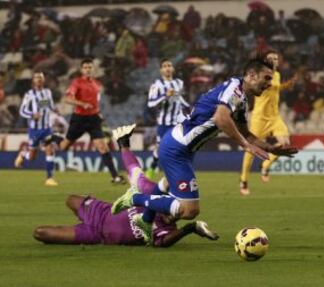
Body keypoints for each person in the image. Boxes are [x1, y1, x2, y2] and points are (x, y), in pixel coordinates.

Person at [112, 58, 298, 243]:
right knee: (189, 210)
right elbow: (221, 118)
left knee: (167, 185)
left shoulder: (240, 99)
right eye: (266, 78)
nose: (269, 84)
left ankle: (145, 219)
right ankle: (136, 198)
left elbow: (246, 134)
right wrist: (244, 145)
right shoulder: (234, 90)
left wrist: (271, 148)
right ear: (251, 75)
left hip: (182, 148)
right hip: (176, 148)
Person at [33, 125, 218, 246]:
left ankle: (82, 223)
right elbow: (138, 175)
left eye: (177, 217)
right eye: (173, 212)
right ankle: (122, 147)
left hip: (96, 235)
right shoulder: (153, 196)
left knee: (40, 233)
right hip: (101, 211)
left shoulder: (167, 231)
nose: (173, 217)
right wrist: (124, 146)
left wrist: (191, 228)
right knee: (70, 199)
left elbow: (163, 243)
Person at [46, 58, 125, 184]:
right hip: (79, 119)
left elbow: (95, 102)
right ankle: (54, 138)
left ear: (93, 69)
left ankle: (115, 177)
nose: (88, 69)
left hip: (93, 119)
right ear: (82, 70)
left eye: (90, 67)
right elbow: (67, 99)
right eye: (86, 67)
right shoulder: (76, 83)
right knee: (64, 146)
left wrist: (98, 113)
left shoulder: (97, 84)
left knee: (103, 147)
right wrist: (82, 104)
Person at [240, 51, 297, 195]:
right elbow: (264, 87)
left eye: (276, 58)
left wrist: (287, 85)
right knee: (250, 150)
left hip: (274, 117)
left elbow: (276, 87)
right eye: (271, 58)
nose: (274, 60)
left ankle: (265, 165)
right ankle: (244, 180)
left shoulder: (277, 75)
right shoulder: (261, 75)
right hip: (259, 118)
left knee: (284, 144)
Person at [145, 58, 190, 180]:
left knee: (178, 148)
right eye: (164, 66)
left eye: (169, 65)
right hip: (164, 123)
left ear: (173, 68)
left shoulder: (179, 83)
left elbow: (180, 99)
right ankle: (152, 167)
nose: (167, 68)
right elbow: (150, 103)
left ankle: (175, 174)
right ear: (161, 70)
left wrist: (189, 108)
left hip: (177, 122)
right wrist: (165, 95)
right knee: (160, 149)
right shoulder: (157, 85)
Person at [14, 72, 59, 186]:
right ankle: (24, 154)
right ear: (33, 81)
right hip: (34, 129)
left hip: (46, 128)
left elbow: (49, 105)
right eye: (36, 78)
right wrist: (32, 115)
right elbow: (22, 110)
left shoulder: (47, 92)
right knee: (32, 157)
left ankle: (49, 178)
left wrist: (55, 109)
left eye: (40, 78)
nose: (38, 79)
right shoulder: (29, 94)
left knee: (50, 150)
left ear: (43, 80)